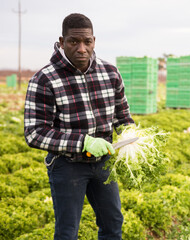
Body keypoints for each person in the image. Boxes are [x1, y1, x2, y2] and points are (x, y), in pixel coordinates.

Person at [24, 13, 134, 240]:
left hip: (104, 163)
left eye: (87, 42)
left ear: (94, 41)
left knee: (113, 224)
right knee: (67, 231)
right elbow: (35, 133)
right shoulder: (44, 79)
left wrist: (132, 135)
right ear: (62, 42)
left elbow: (122, 117)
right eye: (74, 42)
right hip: (67, 165)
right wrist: (83, 142)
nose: (82, 48)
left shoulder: (110, 73)